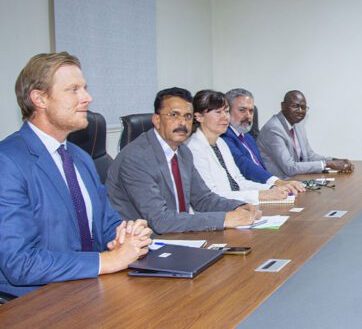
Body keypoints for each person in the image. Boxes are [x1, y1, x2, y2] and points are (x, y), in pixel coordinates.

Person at [0, 52, 152, 296]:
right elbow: (20, 263)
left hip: (89, 288)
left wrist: (125, 235)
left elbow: (106, 224)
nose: (87, 98)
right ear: (39, 98)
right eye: (74, 90)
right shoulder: (2, 162)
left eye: (85, 88)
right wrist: (107, 260)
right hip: (32, 301)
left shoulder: (80, 158)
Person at [106, 87, 261, 234]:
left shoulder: (183, 152)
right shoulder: (137, 158)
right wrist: (224, 219)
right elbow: (160, 220)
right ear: (157, 120)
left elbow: (203, 198)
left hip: (179, 235)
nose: (182, 123)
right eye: (174, 115)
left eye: (187, 116)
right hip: (146, 243)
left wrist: (240, 206)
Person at [186, 90, 300, 204]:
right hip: (217, 211)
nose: (225, 117)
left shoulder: (220, 142)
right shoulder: (194, 148)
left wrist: (271, 188)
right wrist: (260, 195)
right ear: (199, 116)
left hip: (235, 204)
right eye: (218, 112)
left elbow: (239, 182)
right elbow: (211, 195)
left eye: (226, 111)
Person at [221, 88, 305, 192]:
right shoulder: (224, 137)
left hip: (267, 188)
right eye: (242, 110)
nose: (248, 116)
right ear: (227, 111)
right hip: (250, 192)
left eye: (251, 111)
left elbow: (261, 168)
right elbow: (244, 165)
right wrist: (277, 182)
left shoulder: (248, 137)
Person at [257, 90, 353, 179]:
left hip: (298, 180)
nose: (300, 111)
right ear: (283, 106)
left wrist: (334, 160)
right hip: (279, 184)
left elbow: (309, 156)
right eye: (295, 106)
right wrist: (327, 164)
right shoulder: (273, 129)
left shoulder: (298, 125)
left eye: (303, 107)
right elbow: (289, 168)